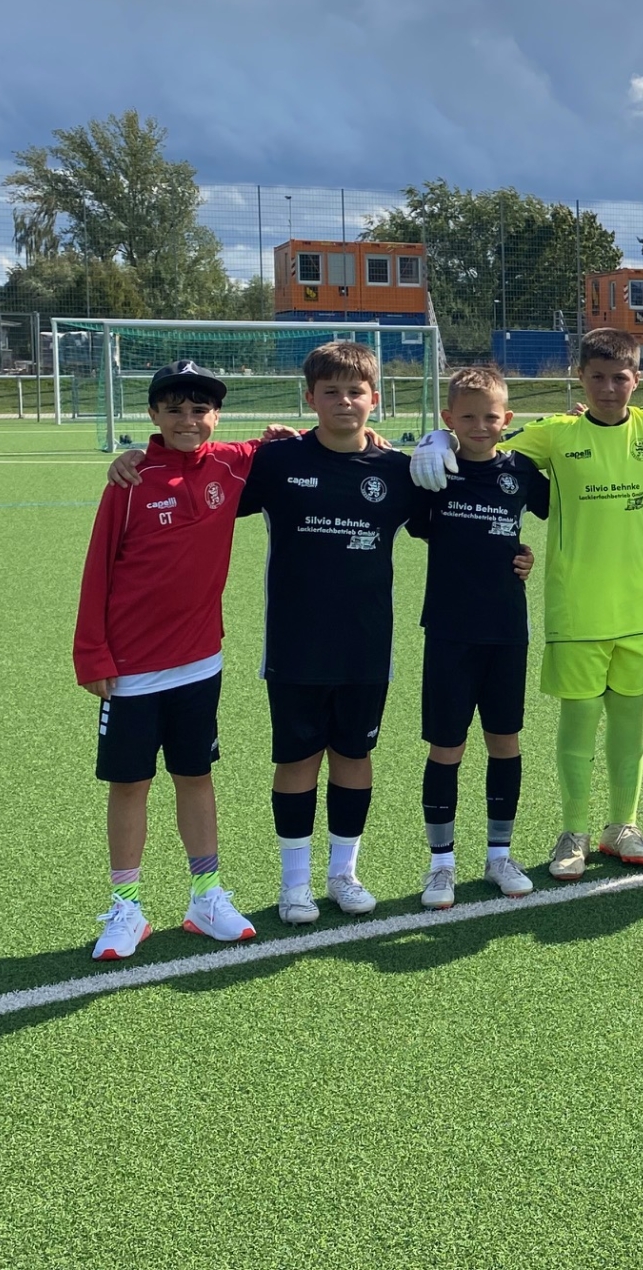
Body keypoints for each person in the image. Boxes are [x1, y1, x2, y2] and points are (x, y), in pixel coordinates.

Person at [411, 328, 643, 882]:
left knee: (628, 727)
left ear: (637, 379)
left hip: (639, 609)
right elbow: (487, 445)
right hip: (577, 609)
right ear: (581, 380)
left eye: (620, 378)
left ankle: (623, 826)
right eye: (597, 378)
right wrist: (437, 439)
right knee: (579, 725)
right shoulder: (554, 434)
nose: (609, 388)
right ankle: (573, 831)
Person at [75, 361, 260, 959]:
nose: (188, 420)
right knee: (130, 783)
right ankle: (127, 906)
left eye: (200, 410)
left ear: (217, 416)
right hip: (131, 669)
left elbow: (294, 442)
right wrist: (92, 654)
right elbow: (98, 570)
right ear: (153, 415)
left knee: (195, 775)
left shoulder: (232, 464)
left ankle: (205, 897)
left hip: (200, 663)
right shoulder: (129, 482)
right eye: (175, 409)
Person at [236, 341, 418, 924]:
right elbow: (207, 488)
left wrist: (515, 555)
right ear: (310, 397)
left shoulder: (397, 470)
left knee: (354, 755)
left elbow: (458, 517)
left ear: (375, 399)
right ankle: (294, 885)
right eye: (331, 391)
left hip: (366, 645)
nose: (344, 401)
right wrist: (142, 455)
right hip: (296, 644)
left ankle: (343, 874)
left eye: (355, 391)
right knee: (297, 760)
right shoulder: (278, 462)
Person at [404, 365, 547, 910]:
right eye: (467, 417)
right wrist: (430, 441)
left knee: (504, 741)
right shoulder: (433, 470)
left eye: (490, 417)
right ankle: (441, 865)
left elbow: (561, 503)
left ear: (507, 418)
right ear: (449, 419)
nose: (480, 426)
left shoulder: (521, 471)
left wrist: (526, 555)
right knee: (447, 747)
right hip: (449, 629)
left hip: (507, 629)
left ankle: (498, 856)